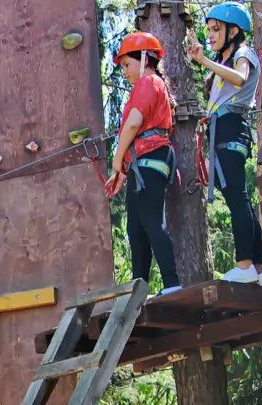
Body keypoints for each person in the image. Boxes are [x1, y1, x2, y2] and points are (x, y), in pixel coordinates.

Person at [187, 1, 262, 286]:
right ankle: (258, 270)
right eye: (209, 30)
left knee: (237, 197)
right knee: (239, 197)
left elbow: (240, 78)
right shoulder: (223, 62)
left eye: (216, 29)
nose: (210, 35)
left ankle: (244, 264)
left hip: (232, 126)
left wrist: (205, 62)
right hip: (223, 128)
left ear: (233, 31)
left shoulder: (244, 53)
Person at [105, 32, 182, 296]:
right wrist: (123, 172)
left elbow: (134, 124)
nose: (124, 71)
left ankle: (172, 283)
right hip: (141, 165)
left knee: (151, 220)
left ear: (145, 59)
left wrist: (117, 161)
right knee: (136, 230)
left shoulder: (149, 82)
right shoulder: (148, 85)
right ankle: (138, 291)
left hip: (150, 160)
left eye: (127, 64)